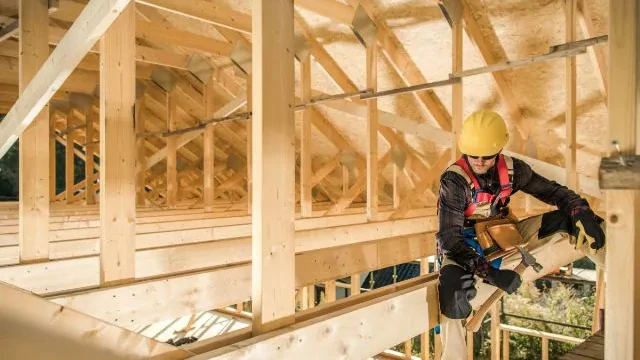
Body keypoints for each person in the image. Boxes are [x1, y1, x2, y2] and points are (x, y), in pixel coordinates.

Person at [436, 109, 606, 360]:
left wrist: (581, 212)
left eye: (487, 156)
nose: (480, 162)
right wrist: (490, 273)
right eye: (473, 156)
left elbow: (556, 193)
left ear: (499, 150)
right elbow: (450, 239)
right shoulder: (454, 181)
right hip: (464, 245)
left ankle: (627, 281)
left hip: (502, 234)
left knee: (571, 222)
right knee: (452, 291)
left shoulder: (515, 171)